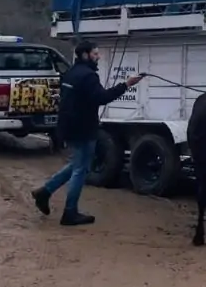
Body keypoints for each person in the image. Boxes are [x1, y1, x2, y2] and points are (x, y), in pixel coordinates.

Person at [31, 41, 143, 226]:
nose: (98, 57)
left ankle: (45, 192)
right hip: (83, 129)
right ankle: (70, 213)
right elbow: (103, 98)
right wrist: (127, 84)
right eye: (95, 54)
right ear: (85, 55)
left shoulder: (71, 73)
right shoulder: (88, 76)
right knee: (80, 170)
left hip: (69, 127)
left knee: (77, 164)